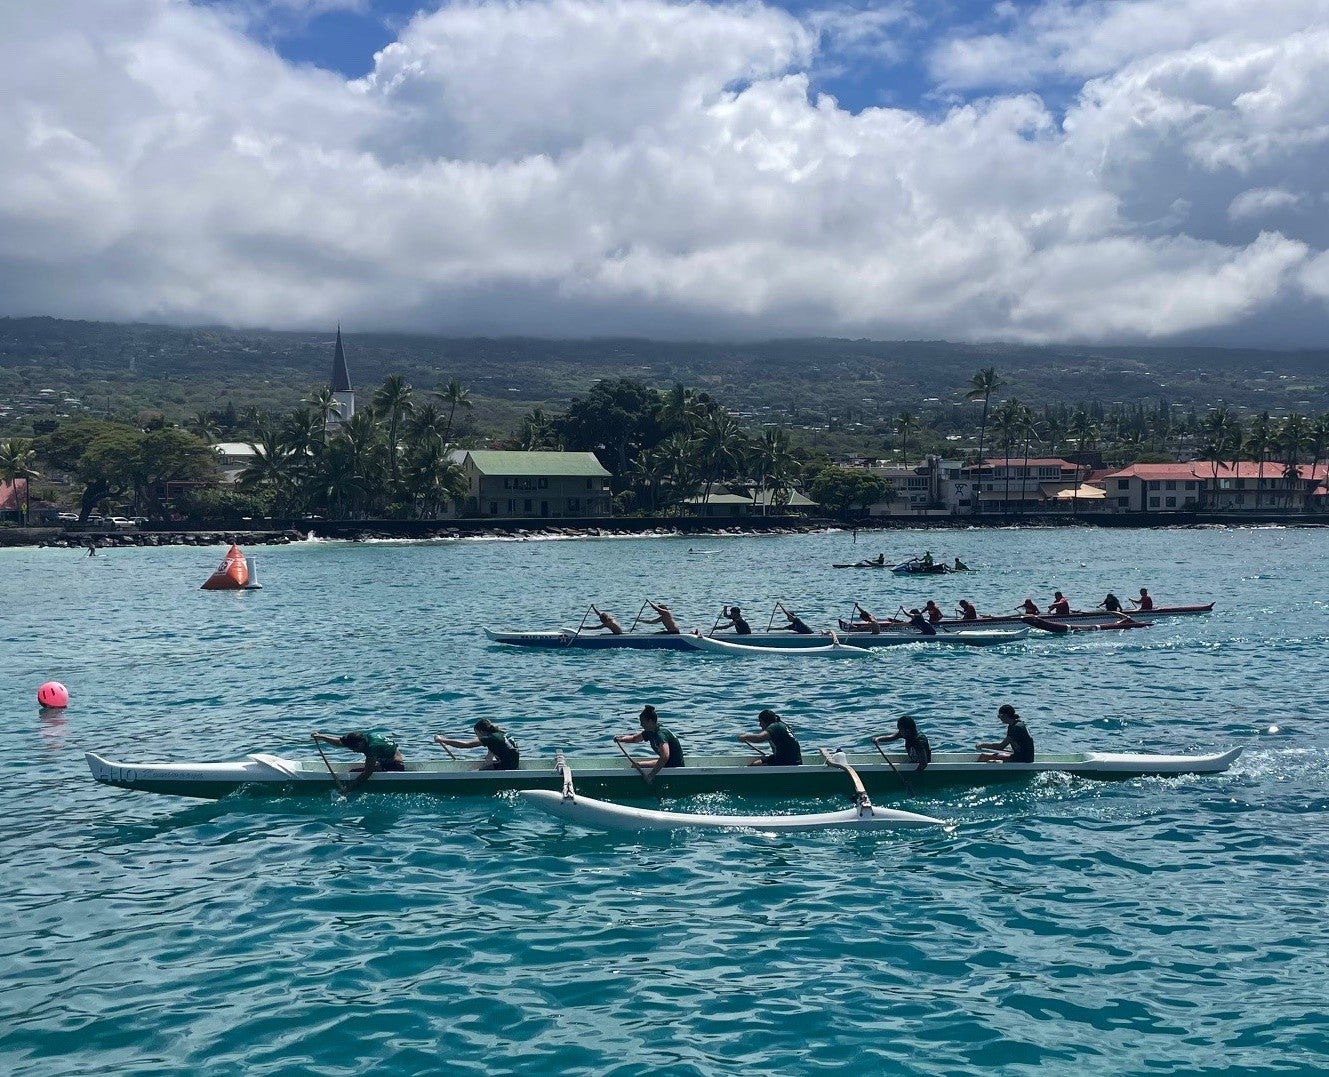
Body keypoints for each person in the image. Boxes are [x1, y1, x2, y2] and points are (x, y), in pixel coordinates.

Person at [311, 729, 406, 786]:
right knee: (353, 772)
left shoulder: (371, 748)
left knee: (353, 773)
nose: (354, 751)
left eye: (354, 748)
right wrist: (321, 737)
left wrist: (348, 789)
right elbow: (339, 742)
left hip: (395, 766)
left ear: (360, 744)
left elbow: (367, 773)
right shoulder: (364, 738)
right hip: (385, 761)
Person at [614, 705, 684, 781]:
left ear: (650, 721)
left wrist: (651, 775)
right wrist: (620, 739)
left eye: (643, 722)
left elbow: (665, 756)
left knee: (637, 766)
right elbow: (634, 739)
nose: (641, 725)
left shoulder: (661, 734)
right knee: (636, 766)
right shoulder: (650, 732)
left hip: (674, 766)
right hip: (666, 764)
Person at [435, 719, 520, 770]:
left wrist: (442, 740)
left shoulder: (491, 738)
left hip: (507, 767)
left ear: (481, 732)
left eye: (477, 734)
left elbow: (466, 744)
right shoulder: (501, 734)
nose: (477, 737)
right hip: (513, 765)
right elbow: (495, 752)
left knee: (473, 773)